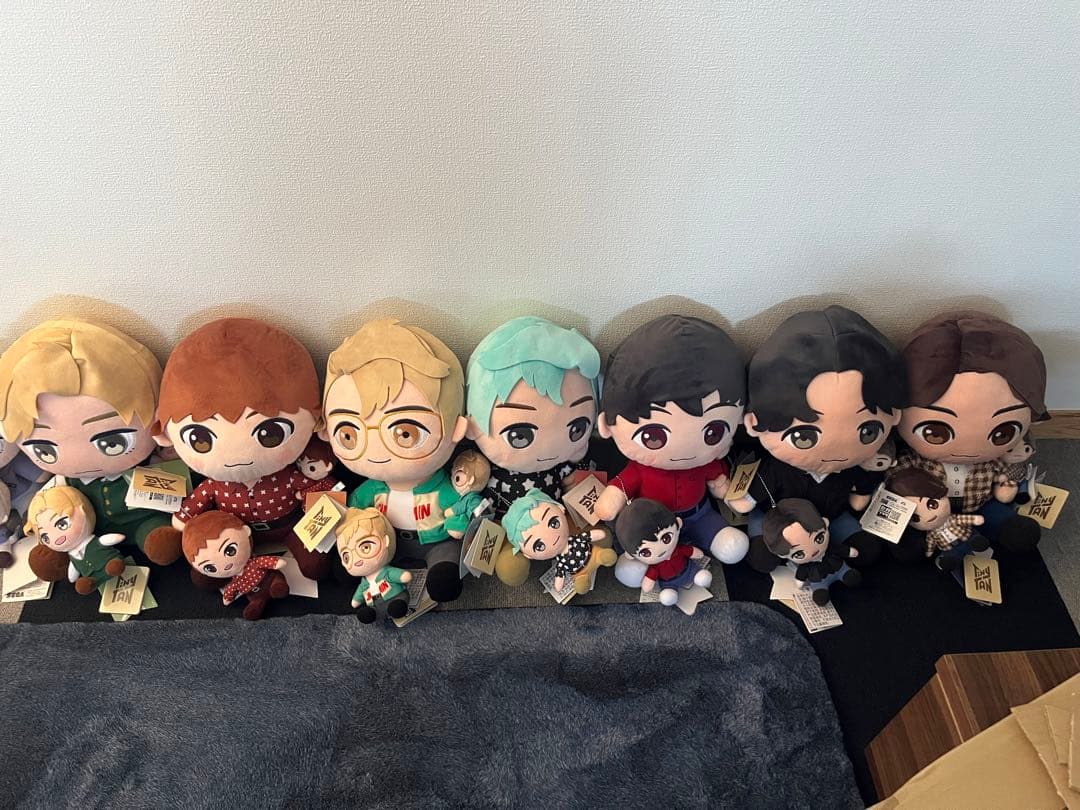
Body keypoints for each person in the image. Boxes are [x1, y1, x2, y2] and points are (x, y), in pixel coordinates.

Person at [0, 318, 181, 582]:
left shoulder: (152, 468)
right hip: (88, 533)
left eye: (112, 442)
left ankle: (151, 537)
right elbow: (46, 503)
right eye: (45, 450)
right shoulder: (62, 483)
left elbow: (179, 480)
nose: (77, 460)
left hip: (143, 520)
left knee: (159, 541)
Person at [156, 318, 335, 580]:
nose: (236, 458)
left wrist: (319, 502)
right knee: (206, 576)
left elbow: (315, 489)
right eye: (201, 439)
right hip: (235, 539)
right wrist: (181, 522)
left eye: (271, 434)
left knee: (315, 565)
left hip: (290, 527)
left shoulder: (289, 477)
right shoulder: (214, 485)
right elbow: (194, 504)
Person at [594, 314, 750, 587]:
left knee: (733, 547)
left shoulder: (706, 463)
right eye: (653, 437)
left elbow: (719, 483)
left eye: (712, 432)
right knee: (634, 566)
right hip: (651, 528)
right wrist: (611, 501)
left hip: (699, 515)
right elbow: (620, 488)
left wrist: (730, 494)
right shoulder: (641, 469)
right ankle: (642, 561)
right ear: (608, 425)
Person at [321, 318, 468, 604]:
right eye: (349, 434)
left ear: (456, 429)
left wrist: (459, 520)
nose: (377, 452)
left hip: (435, 543)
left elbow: (458, 505)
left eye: (406, 433)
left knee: (446, 561)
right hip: (385, 549)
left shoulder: (442, 486)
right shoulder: (369, 490)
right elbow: (355, 511)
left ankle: (442, 571)